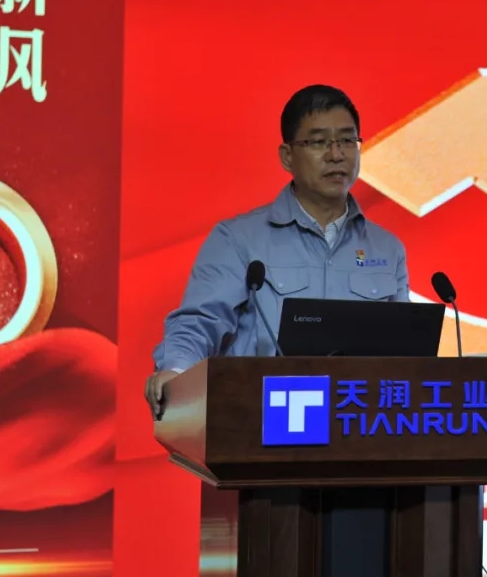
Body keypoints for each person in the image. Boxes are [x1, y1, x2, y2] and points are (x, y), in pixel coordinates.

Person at [145, 84, 410, 418]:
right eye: (318, 142)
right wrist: (176, 371)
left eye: (346, 140)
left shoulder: (388, 249)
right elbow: (200, 322)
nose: (336, 154)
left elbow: (404, 354)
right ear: (287, 156)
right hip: (259, 421)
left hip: (358, 424)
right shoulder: (238, 239)